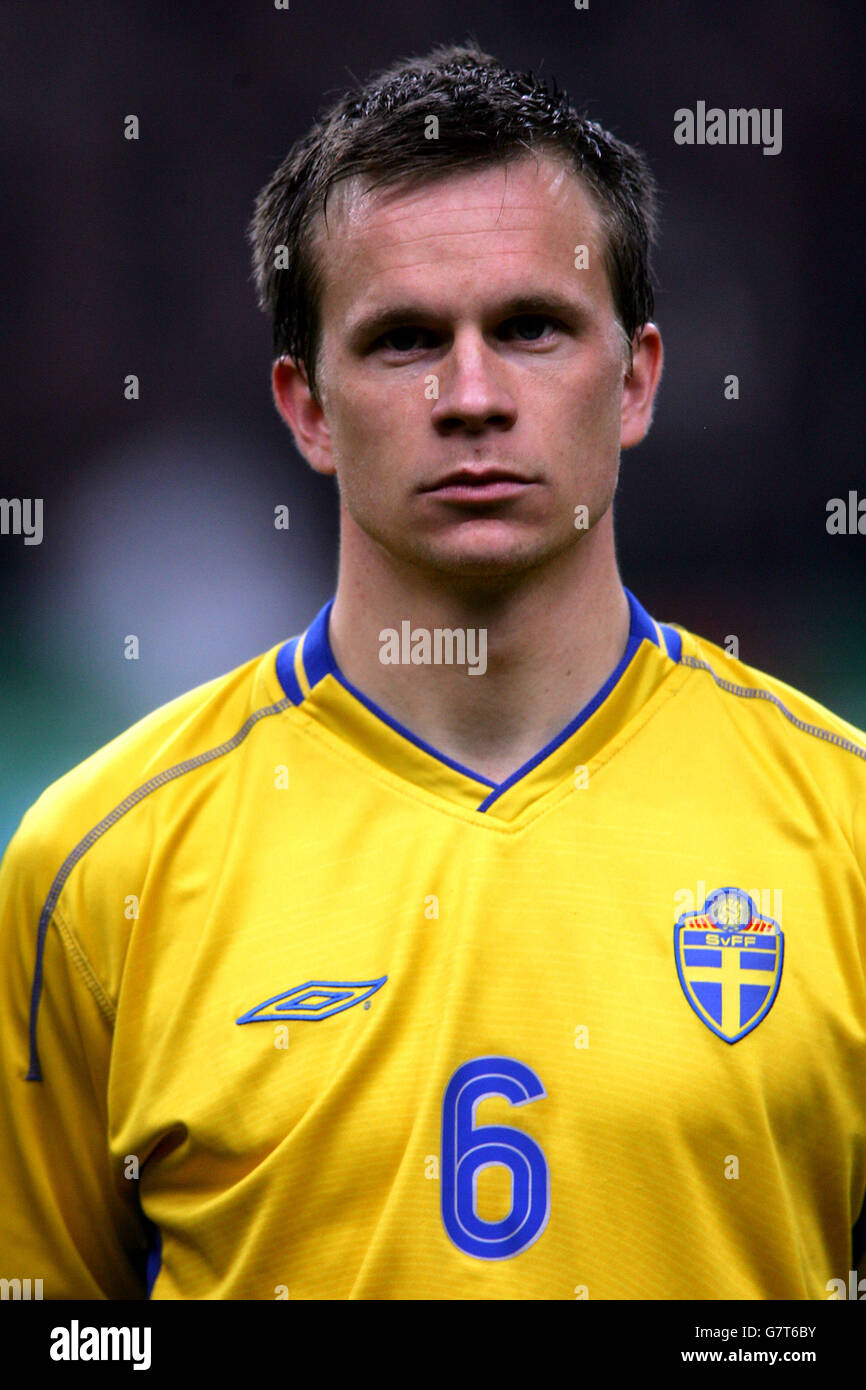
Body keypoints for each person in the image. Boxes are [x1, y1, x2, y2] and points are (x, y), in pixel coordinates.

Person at [1, 42, 863, 1301]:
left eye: (529, 328)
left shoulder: (841, 830)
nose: (471, 395)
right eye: (404, 340)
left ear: (634, 379)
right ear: (304, 407)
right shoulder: (95, 868)